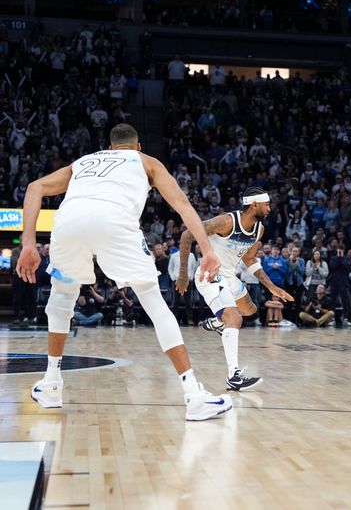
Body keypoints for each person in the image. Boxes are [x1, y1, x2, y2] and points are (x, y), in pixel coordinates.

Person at [17, 123, 232, 422]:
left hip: (69, 222)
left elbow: (34, 188)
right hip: (115, 220)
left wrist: (28, 243)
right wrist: (208, 250)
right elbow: (183, 205)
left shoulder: (83, 161)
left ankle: (52, 383)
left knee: (62, 295)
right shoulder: (146, 162)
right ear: (138, 146)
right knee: (153, 302)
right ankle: (194, 395)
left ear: (109, 147)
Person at [177, 187, 294, 391]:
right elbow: (187, 235)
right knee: (234, 318)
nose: (269, 208)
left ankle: (217, 321)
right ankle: (234, 376)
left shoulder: (259, 230)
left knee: (250, 311)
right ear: (254, 204)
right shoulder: (226, 221)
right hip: (210, 274)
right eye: (266, 204)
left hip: (230, 276)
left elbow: (249, 259)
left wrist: (272, 287)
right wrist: (183, 274)